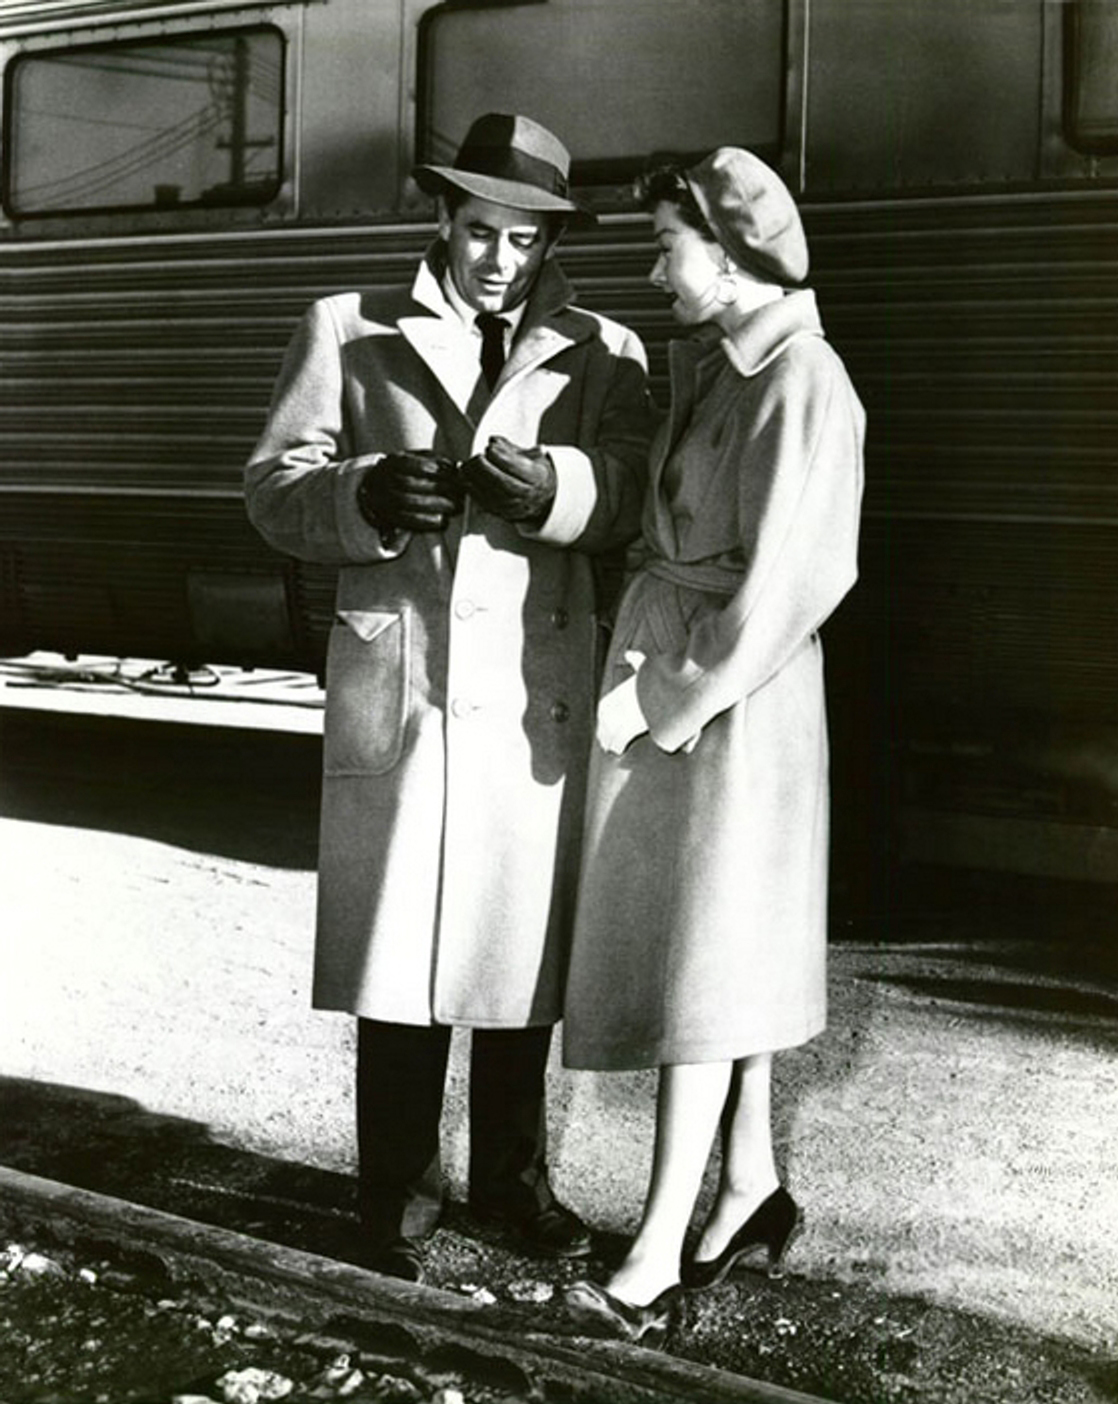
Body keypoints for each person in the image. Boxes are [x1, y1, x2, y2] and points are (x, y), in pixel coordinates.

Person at [244, 113, 656, 1282]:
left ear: (550, 243)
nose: (498, 260)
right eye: (480, 232)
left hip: (534, 692)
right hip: (409, 685)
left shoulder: (607, 350)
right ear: (443, 219)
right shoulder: (347, 327)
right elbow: (272, 487)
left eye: (523, 240)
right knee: (399, 957)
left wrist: (557, 489)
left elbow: (637, 495)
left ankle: (513, 1186)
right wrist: (365, 494)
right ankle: (394, 1196)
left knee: (520, 954)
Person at [561, 147, 865, 1343]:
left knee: (700, 964)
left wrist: (662, 695)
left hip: (732, 699)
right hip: (692, 676)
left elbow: (794, 582)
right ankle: (745, 1188)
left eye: (664, 246)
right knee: (720, 952)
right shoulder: (727, 368)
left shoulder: (802, 380)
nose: (653, 271)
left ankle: (650, 1259)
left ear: (731, 256)